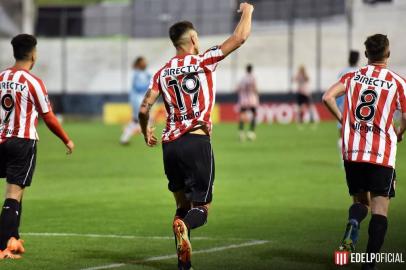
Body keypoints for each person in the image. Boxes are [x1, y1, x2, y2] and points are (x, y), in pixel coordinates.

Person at [138, 3, 254, 269]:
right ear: (192, 39)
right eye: (197, 37)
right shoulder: (203, 60)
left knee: (181, 204)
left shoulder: (162, 72)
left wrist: (145, 130)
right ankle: (185, 225)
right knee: (200, 209)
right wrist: (247, 11)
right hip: (196, 139)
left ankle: (184, 264)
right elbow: (240, 38)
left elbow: (144, 107)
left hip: (170, 145)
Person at [323, 34, 406, 270]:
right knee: (380, 209)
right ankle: (369, 264)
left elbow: (327, 97)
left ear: (367, 54)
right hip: (381, 154)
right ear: (387, 54)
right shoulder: (398, 82)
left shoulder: (352, 76)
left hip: (354, 153)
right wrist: (400, 132)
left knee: (361, 202)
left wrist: (343, 119)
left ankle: (352, 223)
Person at [0, 34, 74, 259]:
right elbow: (49, 117)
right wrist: (66, 139)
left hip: (0, 139)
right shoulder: (33, 82)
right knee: (14, 193)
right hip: (22, 142)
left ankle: (13, 239)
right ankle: (3, 246)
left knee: (15, 193)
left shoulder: (1, 77)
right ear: (33, 54)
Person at [120, 56, 151, 145]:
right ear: (139, 64)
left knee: (138, 120)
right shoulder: (136, 74)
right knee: (141, 119)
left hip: (142, 100)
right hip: (137, 100)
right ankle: (148, 138)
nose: (145, 63)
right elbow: (138, 87)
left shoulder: (145, 73)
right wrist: (149, 84)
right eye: (143, 62)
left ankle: (125, 138)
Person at [336, 50, 360, 156]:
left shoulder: (343, 72)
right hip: (357, 105)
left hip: (343, 104)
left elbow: (337, 89)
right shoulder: (361, 71)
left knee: (342, 133)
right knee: (356, 133)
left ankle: (343, 157)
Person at [237, 64, 258, 141]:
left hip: (244, 100)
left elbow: (238, 88)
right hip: (252, 99)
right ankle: (251, 132)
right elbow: (255, 88)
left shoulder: (243, 78)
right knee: (254, 115)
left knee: (242, 115)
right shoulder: (253, 78)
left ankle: (241, 132)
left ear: (246, 70)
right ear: (251, 70)